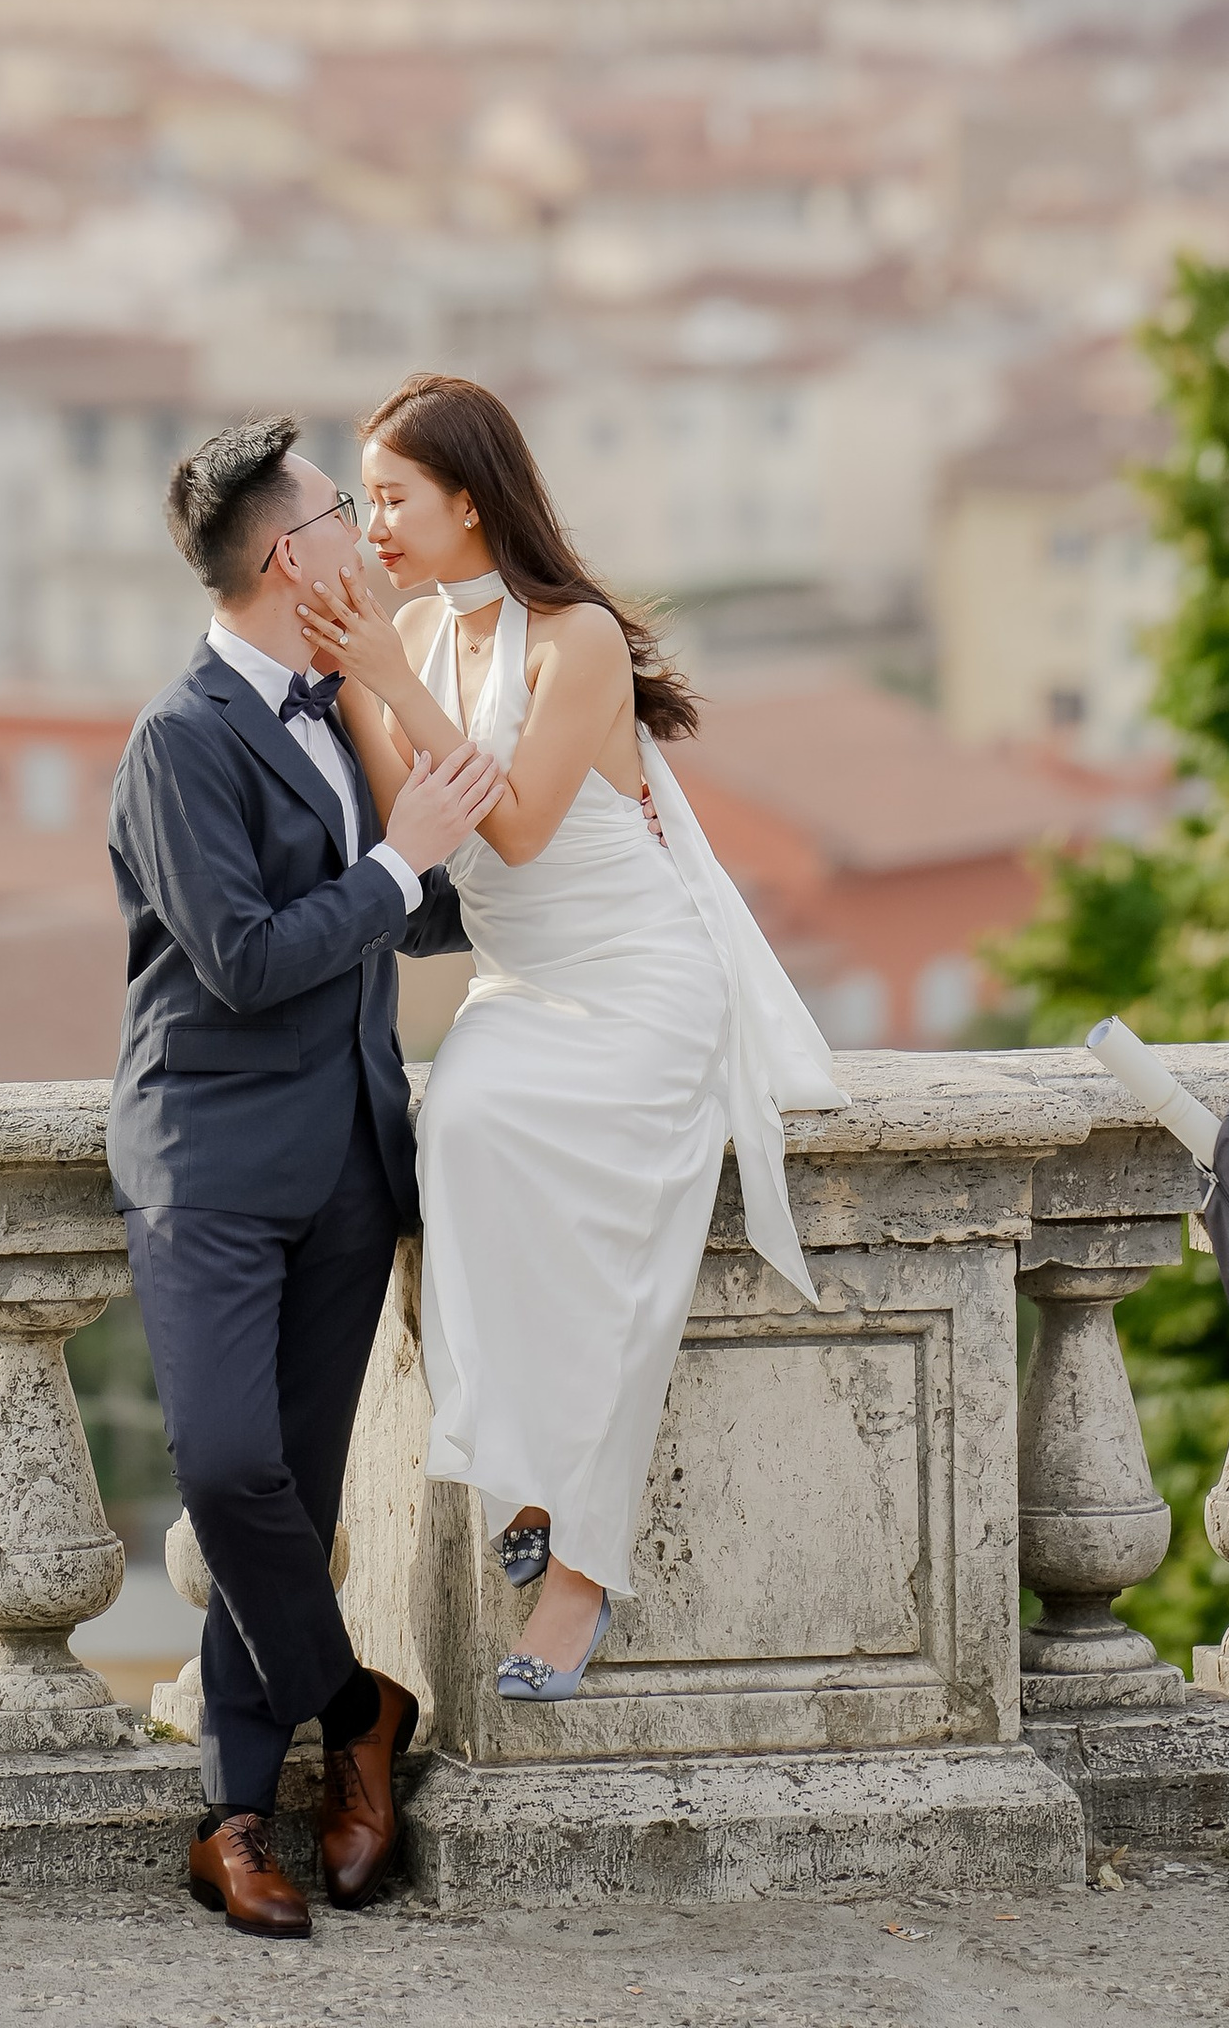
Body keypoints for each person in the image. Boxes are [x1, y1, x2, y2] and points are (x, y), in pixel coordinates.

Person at [292, 370, 846, 1701]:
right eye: (364, 501)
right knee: (461, 1134)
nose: (374, 525)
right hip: (520, 986)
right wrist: (355, 681)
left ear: (470, 502)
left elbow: (524, 825)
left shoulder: (575, 636)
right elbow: (420, 831)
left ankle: (581, 1572)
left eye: (394, 499)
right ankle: (527, 1477)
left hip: (641, 985)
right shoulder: (418, 638)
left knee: (620, 1261)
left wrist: (384, 673)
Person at [106, 415, 497, 1942]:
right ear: (289, 556)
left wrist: (552, 854)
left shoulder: (342, 707)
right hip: (207, 1160)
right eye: (344, 512)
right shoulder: (180, 738)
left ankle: (233, 1815)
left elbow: (425, 911)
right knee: (226, 1471)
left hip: (348, 1157)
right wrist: (401, 861)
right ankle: (358, 1707)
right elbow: (248, 960)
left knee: (297, 1494)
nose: (367, 533)